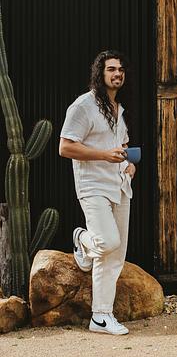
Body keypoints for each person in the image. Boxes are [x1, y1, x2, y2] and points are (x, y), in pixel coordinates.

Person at [58, 50, 136, 335]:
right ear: (100, 73)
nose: (118, 73)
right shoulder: (84, 105)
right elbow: (65, 147)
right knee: (107, 241)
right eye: (111, 69)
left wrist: (129, 165)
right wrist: (104, 155)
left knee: (115, 255)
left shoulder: (119, 109)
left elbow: (122, 149)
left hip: (119, 185)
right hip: (93, 186)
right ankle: (82, 238)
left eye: (121, 69)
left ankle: (101, 316)